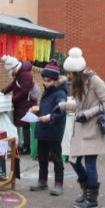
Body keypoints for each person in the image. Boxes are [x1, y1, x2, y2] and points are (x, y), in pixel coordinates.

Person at [60, 47, 105, 208]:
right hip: (81, 127)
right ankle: (86, 191)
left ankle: (91, 198)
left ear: (76, 71)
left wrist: (87, 113)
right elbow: (79, 104)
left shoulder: (94, 80)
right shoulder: (78, 82)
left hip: (92, 128)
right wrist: (63, 105)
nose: (68, 76)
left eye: (70, 73)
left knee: (90, 163)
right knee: (72, 159)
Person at [29, 59, 68, 195]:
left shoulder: (60, 93)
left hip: (54, 130)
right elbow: (47, 107)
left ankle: (59, 184)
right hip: (43, 129)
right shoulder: (47, 90)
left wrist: (50, 117)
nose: (46, 83)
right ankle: (42, 181)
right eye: (44, 80)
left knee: (56, 158)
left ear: (55, 80)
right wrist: (36, 110)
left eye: (49, 81)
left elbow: (60, 110)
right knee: (42, 157)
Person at [1, 54, 37, 155]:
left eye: (10, 69)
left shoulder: (25, 74)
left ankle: (26, 147)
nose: (10, 72)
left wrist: (13, 99)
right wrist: (4, 91)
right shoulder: (20, 73)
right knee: (22, 123)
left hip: (27, 102)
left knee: (25, 124)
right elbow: (14, 84)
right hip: (22, 102)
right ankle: (22, 145)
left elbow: (24, 92)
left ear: (14, 67)